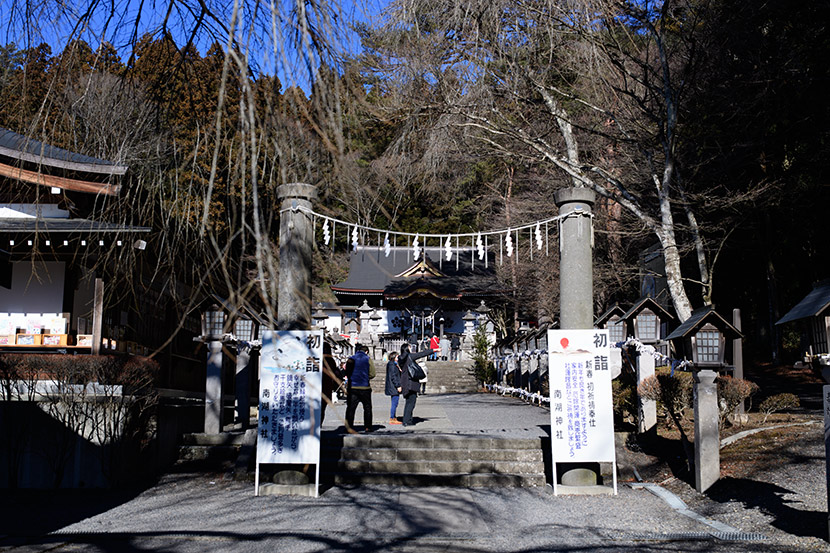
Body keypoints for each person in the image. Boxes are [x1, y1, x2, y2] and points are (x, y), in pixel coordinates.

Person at [398, 342, 431, 427]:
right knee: (411, 403)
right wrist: (434, 350)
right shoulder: (409, 357)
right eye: (409, 347)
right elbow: (421, 354)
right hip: (410, 383)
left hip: (405, 382)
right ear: (407, 349)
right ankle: (406, 420)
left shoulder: (401, 358)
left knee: (409, 402)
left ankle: (408, 419)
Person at [345, 344, 375, 432]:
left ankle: (349, 427)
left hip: (353, 386)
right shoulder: (368, 359)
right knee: (367, 407)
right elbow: (373, 373)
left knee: (351, 408)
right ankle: (368, 427)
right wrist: (366, 377)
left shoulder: (351, 358)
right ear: (367, 352)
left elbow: (347, 371)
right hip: (365, 387)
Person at [384, 352, 402, 425]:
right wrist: (398, 385)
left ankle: (393, 417)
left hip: (392, 386)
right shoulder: (392, 365)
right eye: (397, 357)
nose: (398, 358)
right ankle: (392, 418)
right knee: (394, 403)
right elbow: (393, 376)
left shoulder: (392, 364)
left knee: (394, 402)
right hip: (393, 387)